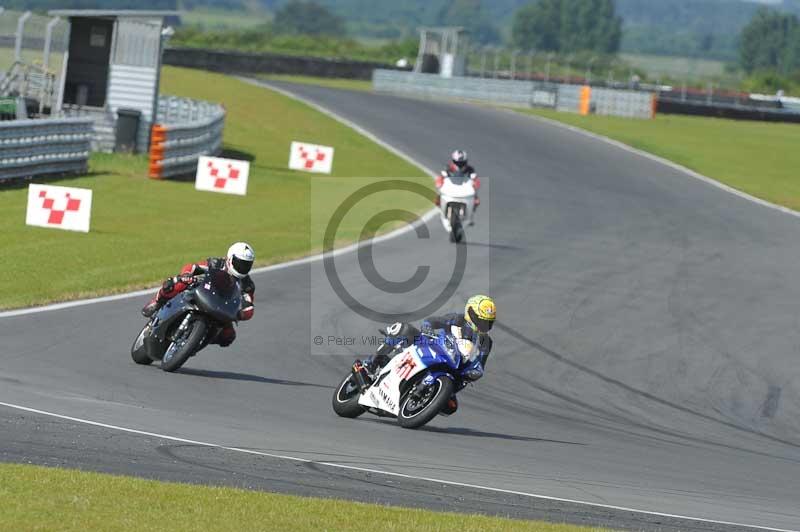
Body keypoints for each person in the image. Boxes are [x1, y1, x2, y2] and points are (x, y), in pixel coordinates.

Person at [363, 295, 497, 413]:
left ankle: (423, 400)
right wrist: (428, 327)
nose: (483, 325)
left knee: (451, 407)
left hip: (456, 368)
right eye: (481, 320)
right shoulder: (457, 319)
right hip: (436, 349)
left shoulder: (486, 342)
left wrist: (475, 372)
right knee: (403, 329)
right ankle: (373, 363)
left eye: (488, 322)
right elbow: (433, 321)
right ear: (471, 313)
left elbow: (480, 363)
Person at [140, 242, 256, 347]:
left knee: (228, 336)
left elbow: (249, 307)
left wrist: (240, 314)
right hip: (202, 293)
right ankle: (157, 302)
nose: (242, 268)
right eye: (239, 263)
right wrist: (186, 275)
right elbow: (193, 267)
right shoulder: (217, 263)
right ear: (230, 259)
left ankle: (197, 341)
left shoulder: (247, 284)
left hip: (221, 309)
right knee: (174, 284)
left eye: (246, 265)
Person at [437, 150, 481, 225]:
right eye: (458, 163)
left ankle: (470, 216)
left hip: (465, 190)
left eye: (462, 163)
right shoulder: (448, 168)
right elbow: (442, 176)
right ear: (454, 161)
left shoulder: (470, 169)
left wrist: (475, 184)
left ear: (465, 161)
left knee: (476, 201)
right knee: (438, 198)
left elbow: (475, 178)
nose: (460, 164)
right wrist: (440, 183)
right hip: (451, 188)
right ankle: (441, 213)